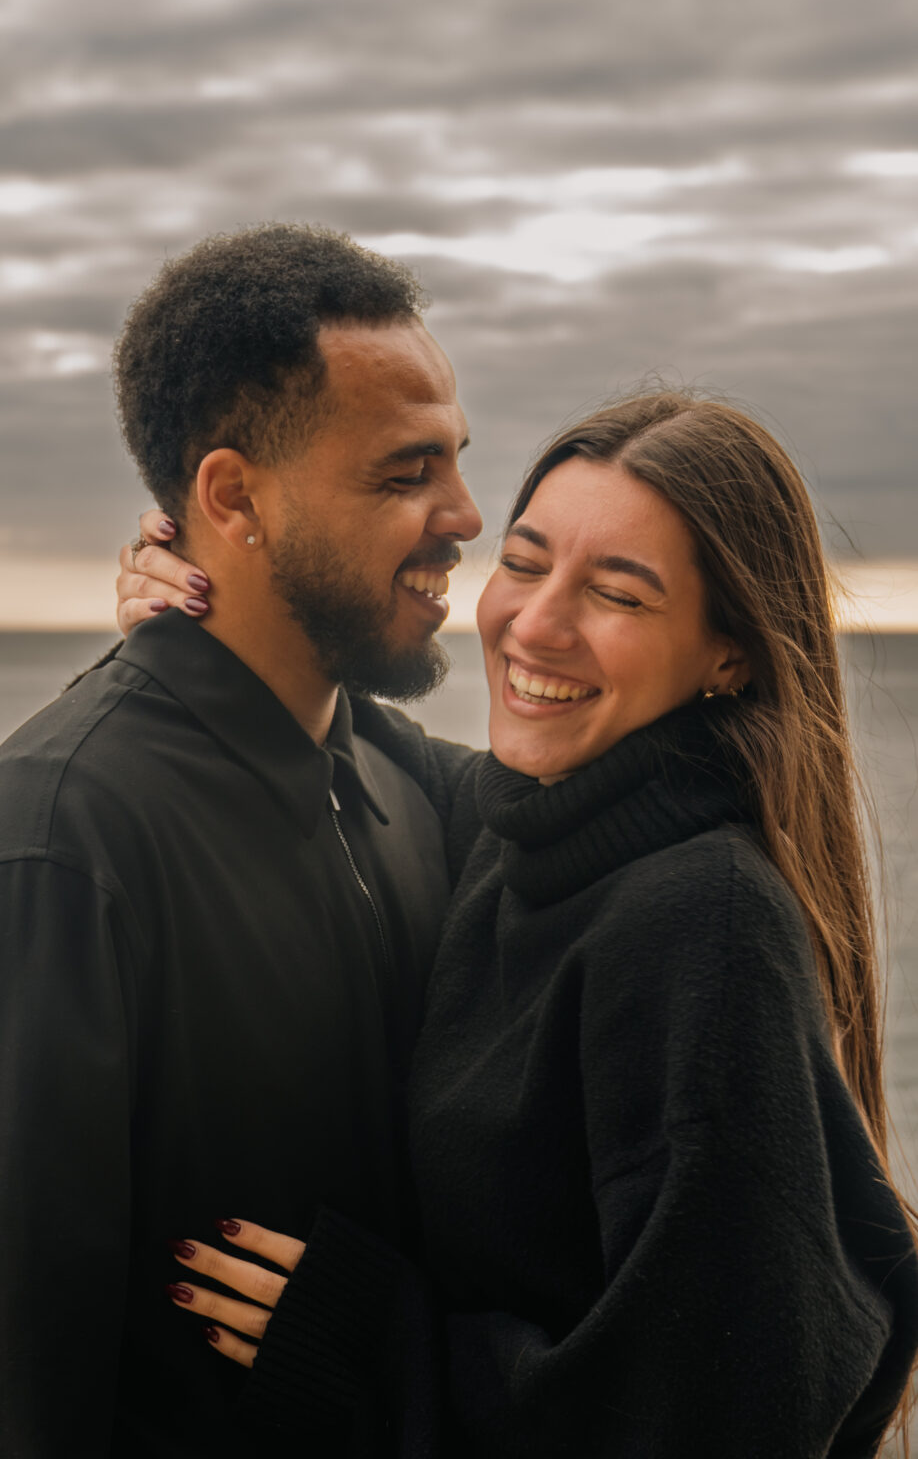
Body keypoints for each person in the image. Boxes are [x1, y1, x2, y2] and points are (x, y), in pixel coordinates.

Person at [120, 393, 918, 1456]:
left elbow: (729, 1407)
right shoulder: (529, 832)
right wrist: (220, 619)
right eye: (527, 562)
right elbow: (367, 743)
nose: (535, 625)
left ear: (729, 656)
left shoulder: (700, 920)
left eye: (618, 595)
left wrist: (373, 1352)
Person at [0, 223, 482, 1457]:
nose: (466, 516)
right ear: (231, 497)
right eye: (404, 473)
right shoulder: (61, 837)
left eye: (456, 465)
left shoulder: (399, 784)